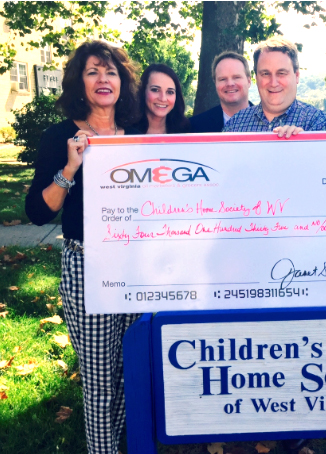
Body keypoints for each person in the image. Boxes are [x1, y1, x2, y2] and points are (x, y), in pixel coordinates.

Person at [25, 40, 141, 454]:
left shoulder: (139, 131)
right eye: (93, 72)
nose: (103, 79)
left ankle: (118, 440)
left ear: (122, 81)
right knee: (98, 378)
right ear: (80, 81)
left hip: (137, 266)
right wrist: (70, 167)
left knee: (130, 369)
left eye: (111, 72)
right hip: (86, 264)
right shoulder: (60, 136)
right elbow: (37, 212)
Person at [223, 36, 326, 137]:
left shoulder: (319, 123)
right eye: (265, 74)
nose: (273, 83)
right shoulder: (235, 125)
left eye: (281, 73)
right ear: (256, 78)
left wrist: (305, 144)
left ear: (296, 76)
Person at [190, 51, 253, 133]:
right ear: (215, 83)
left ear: (249, 81)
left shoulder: (270, 125)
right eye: (223, 79)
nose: (230, 84)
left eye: (236, 77)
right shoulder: (194, 126)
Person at [135, 63, 190, 134]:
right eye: (155, 90)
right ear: (143, 91)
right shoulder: (125, 131)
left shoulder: (186, 131)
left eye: (170, 92)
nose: (163, 98)